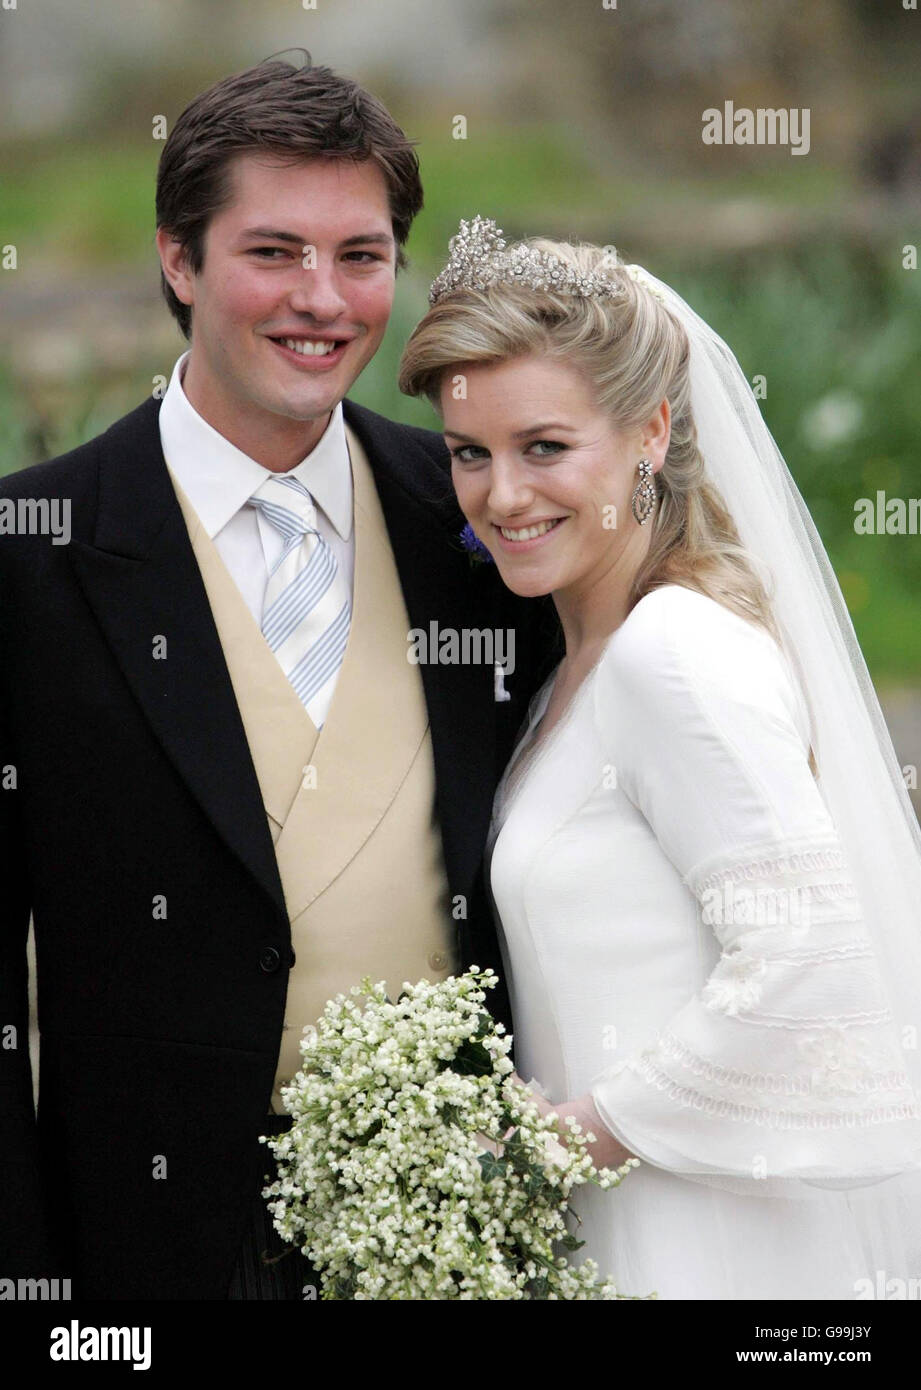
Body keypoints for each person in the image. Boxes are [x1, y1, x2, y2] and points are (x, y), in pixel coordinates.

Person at [0, 72, 555, 1300]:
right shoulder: (28, 552)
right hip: (149, 1254)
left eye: (362, 254)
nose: (322, 298)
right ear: (178, 262)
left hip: (464, 1231)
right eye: (273, 250)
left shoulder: (481, 521)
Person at [398, 216, 921, 1299]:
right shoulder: (580, 660)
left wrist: (571, 1139)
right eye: (469, 453)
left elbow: (808, 962)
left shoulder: (671, 656)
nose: (501, 496)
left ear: (649, 433)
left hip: (710, 1249)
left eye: (544, 447)